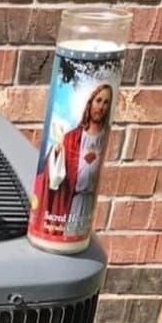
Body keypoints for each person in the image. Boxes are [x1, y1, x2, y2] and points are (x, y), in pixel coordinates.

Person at [30, 83, 112, 239]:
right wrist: (57, 152)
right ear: (90, 103)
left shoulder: (106, 136)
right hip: (72, 205)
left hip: (89, 206)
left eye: (106, 102)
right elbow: (53, 173)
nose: (101, 106)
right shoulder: (72, 138)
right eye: (98, 100)